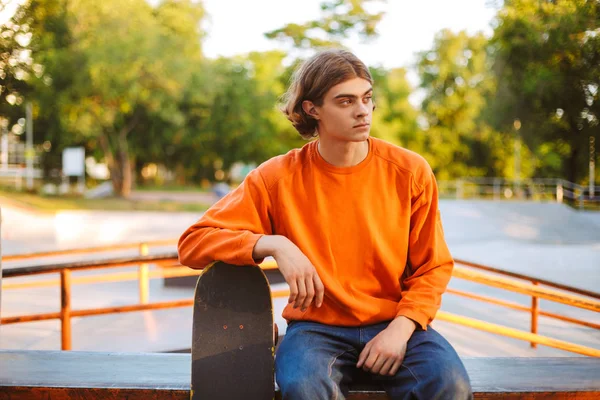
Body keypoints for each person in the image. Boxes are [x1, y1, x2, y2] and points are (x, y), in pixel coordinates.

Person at [178, 49, 472, 400]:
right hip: (316, 331)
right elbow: (193, 243)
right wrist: (273, 244)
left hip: (398, 324)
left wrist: (402, 328)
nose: (362, 110)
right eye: (345, 101)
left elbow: (434, 266)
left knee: (449, 385)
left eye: (366, 98)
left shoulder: (410, 171)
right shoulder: (278, 178)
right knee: (305, 387)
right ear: (311, 108)